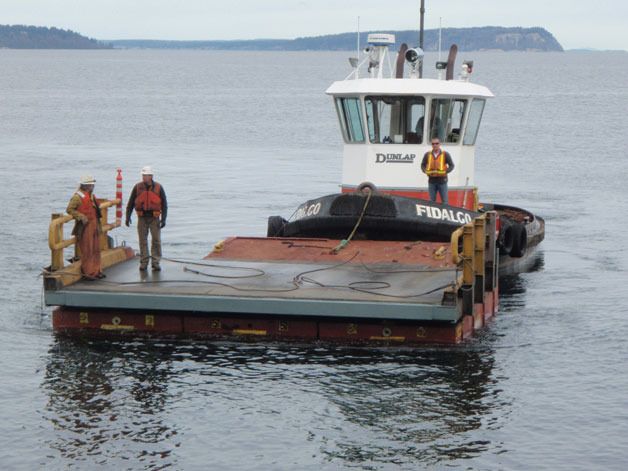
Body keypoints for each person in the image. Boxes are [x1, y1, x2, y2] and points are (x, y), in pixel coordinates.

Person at [125, 166, 168, 271]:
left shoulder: (158, 187)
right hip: (142, 218)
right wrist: (127, 217)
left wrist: (164, 219)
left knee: (156, 240)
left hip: (154, 218)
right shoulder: (137, 187)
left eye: (146, 175)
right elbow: (130, 203)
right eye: (143, 175)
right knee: (142, 241)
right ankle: (144, 262)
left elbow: (164, 204)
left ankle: (155, 262)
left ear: (151, 176)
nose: (144, 177)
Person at [66, 175, 105, 280]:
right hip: (85, 226)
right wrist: (80, 216)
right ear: (86, 185)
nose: (93, 186)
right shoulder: (77, 197)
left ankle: (97, 270)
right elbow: (69, 209)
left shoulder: (91, 196)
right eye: (91, 184)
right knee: (87, 250)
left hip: (94, 225)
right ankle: (88, 272)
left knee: (96, 249)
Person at [421, 139, 455, 205]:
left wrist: (446, 171)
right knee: (432, 201)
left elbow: (452, 165)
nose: (435, 145)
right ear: (431, 145)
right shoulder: (427, 154)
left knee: (445, 201)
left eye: (436, 143)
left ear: (439, 144)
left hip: (442, 181)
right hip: (431, 181)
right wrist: (425, 171)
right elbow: (422, 165)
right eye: (433, 144)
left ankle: (445, 213)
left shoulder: (445, 154)